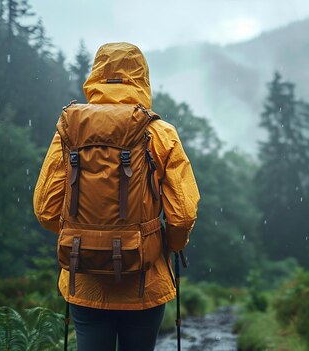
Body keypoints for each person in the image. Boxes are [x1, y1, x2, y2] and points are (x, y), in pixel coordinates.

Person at [33, 42, 200, 351]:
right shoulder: (160, 132)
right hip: (145, 280)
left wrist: (86, 234)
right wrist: (170, 244)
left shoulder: (69, 130)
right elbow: (184, 213)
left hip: (84, 274)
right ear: (142, 78)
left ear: (96, 74)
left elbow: (45, 209)